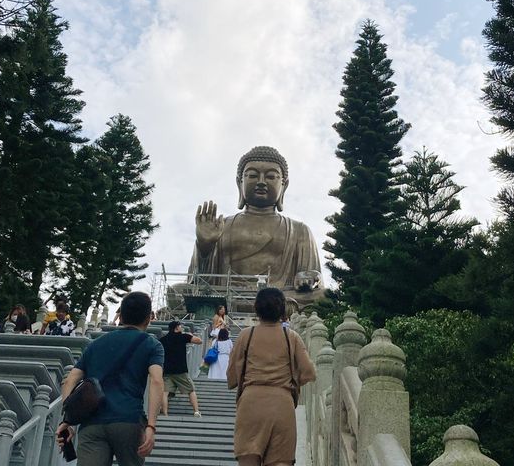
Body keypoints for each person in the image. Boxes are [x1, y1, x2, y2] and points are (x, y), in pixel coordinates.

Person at [189, 146, 324, 307]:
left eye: (271, 176)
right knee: (178, 290)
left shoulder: (299, 230)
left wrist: (309, 277)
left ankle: (261, 305)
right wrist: (205, 246)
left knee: (325, 296)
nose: (261, 182)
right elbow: (199, 282)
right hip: (227, 295)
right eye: (252, 175)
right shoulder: (221, 226)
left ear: (284, 185)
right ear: (240, 183)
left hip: (280, 296)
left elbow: (314, 278)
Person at [56, 291, 164, 466]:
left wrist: (67, 420)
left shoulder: (95, 344)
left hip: (92, 423)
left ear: (120, 316)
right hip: (128, 420)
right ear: (148, 318)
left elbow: (70, 380)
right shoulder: (152, 345)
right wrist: (151, 426)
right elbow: (157, 381)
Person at [227, 287, 316, 466]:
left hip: (250, 404)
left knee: (248, 459)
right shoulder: (291, 337)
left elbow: (232, 378)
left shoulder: (246, 335)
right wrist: (292, 382)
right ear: (283, 310)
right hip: (282, 405)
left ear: (256, 308)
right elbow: (309, 372)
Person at [159, 320, 202, 417]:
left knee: (165, 392)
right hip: (181, 370)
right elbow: (199, 341)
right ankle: (196, 411)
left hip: (167, 370)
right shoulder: (183, 336)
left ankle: (165, 413)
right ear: (176, 328)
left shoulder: (163, 339)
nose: (181, 327)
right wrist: (189, 334)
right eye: (180, 326)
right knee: (191, 390)